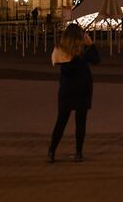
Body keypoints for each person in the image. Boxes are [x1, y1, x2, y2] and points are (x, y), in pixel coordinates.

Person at [48, 23, 100, 163]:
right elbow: (97, 60)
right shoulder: (83, 51)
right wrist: (91, 44)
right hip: (83, 88)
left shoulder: (60, 49)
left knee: (61, 121)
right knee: (81, 122)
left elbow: (54, 61)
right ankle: (78, 153)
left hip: (67, 89)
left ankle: (51, 152)